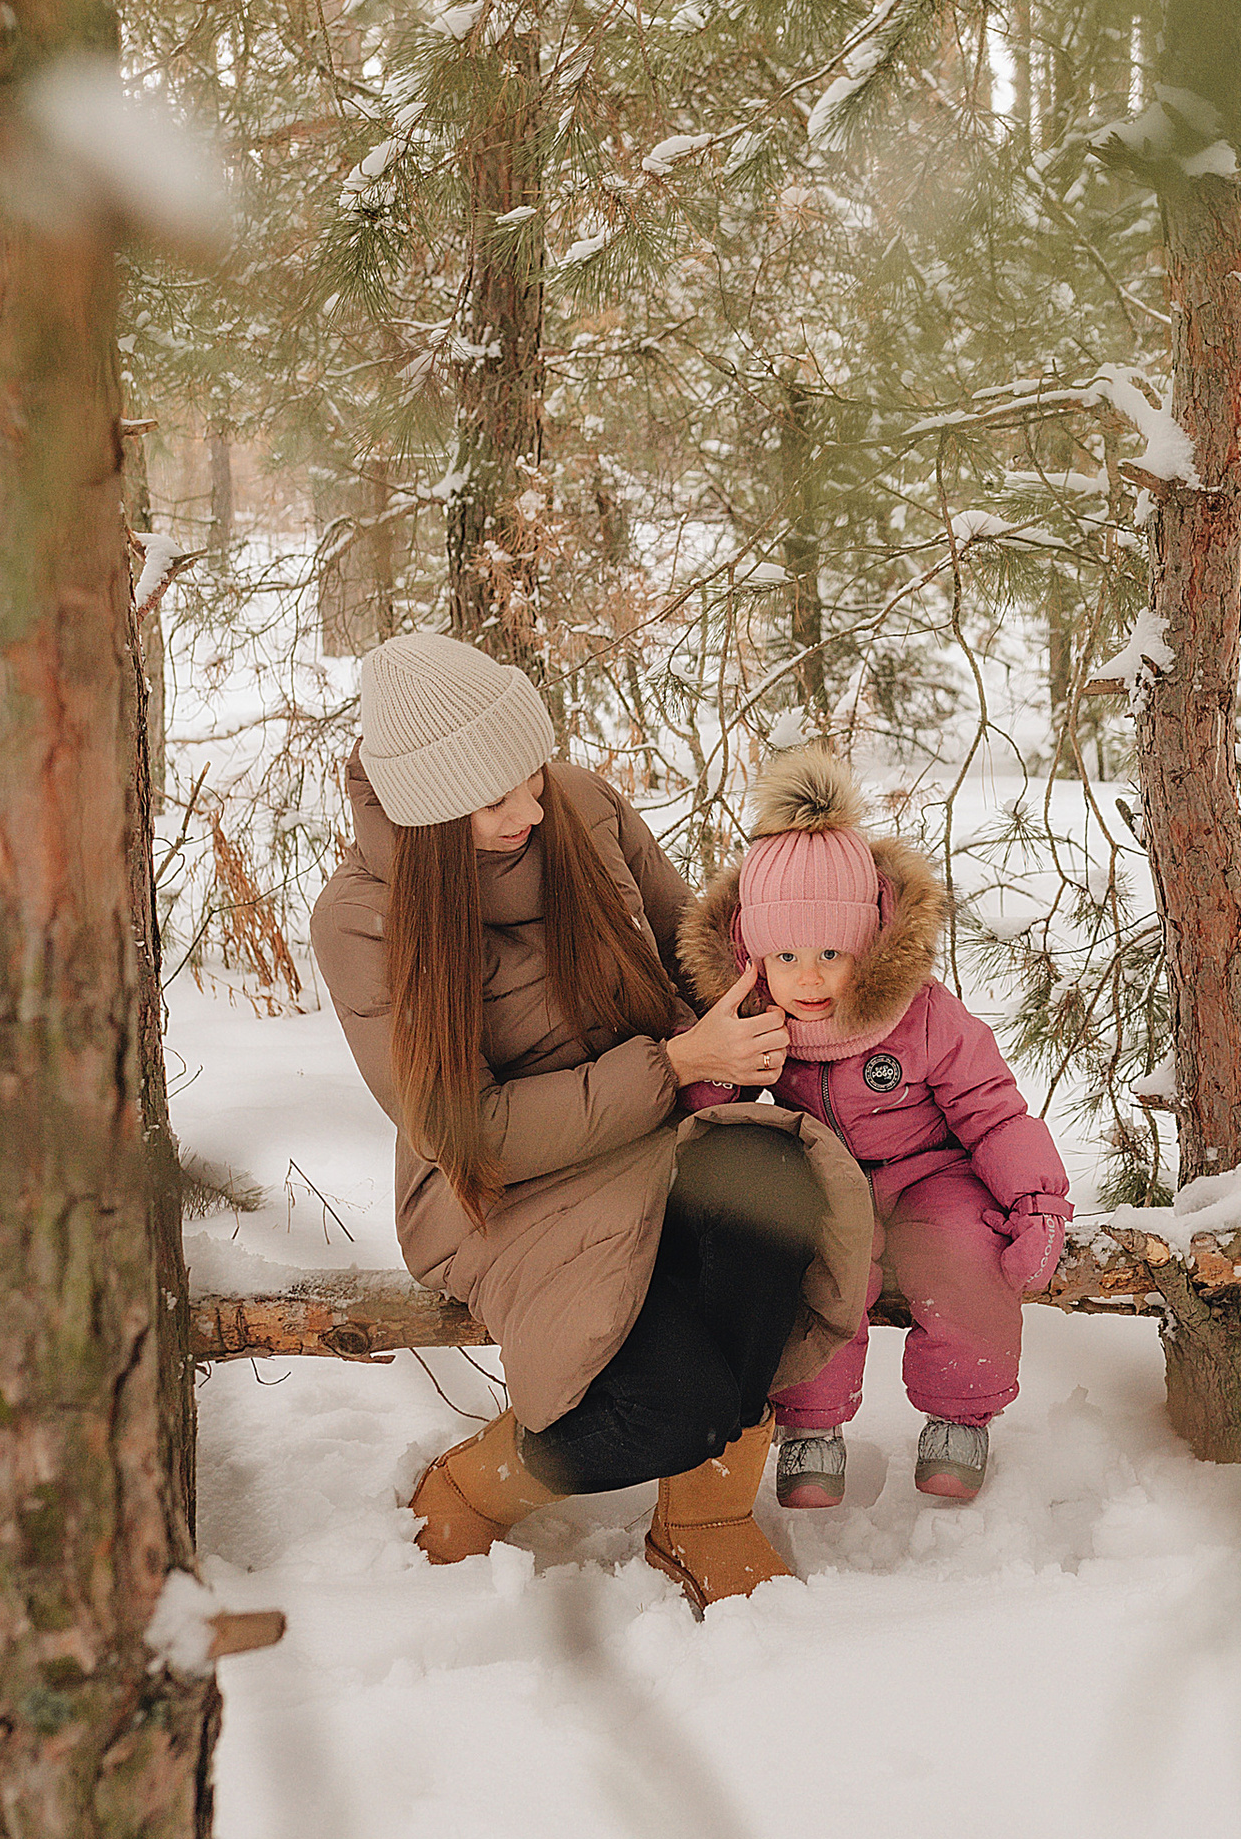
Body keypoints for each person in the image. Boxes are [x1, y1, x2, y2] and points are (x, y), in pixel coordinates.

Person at [309, 631, 875, 1611]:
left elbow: (697, 956)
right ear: (432, 812)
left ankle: (705, 1516)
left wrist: (811, 954)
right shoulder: (366, 915)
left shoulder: (580, 805)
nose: (530, 809)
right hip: (502, 1191)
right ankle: (476, 1486)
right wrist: (671, 1064)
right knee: (662, 1405)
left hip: (664, 1133)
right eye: (493, 803)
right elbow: (468, 1132)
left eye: (530, 775)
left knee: (776, 1185)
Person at [678, 747, 1070, 1508]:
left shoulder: (919, 1013)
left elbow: (993, 1110)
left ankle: (960, 1418)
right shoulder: (756, 1019)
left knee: (965, 1255)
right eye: (786, 956)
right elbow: (711, 1118)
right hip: (823, 1183)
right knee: (818, 1274)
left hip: (933, 1176)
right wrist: (720, 1069)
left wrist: (1039, 1200)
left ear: (874, 944)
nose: (812, 977)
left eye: (833, 953)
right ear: (751, 956)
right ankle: (812, 1427)